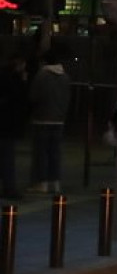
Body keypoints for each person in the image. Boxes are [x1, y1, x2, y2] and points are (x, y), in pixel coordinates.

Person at [28, 48, 71, 194]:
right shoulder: (65, 77)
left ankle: (42, 182)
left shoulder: (42, 75)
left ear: (44, 61)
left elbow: (34, 96)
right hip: (59, 119)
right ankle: (56, 182)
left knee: (41, 152)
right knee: (55, 152)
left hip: (42, 118)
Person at [0, 52, 29, 200]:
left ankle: (8, 186)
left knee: (6, 157)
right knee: (7, 157)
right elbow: (21, 100)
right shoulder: (14, 79)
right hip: (8, 125)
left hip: (6, 123)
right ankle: (9, 188)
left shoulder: (6, 76)